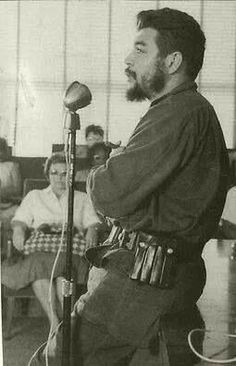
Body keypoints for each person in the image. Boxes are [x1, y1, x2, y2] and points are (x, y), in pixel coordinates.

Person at [36, 8, 229, 365]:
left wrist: (105, 171)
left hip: (139, 283)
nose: (128, 59)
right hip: (145, 273)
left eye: (141, 49)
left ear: (172, 61)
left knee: (60, 357)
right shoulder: (181, 110)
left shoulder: (179, 112)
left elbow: (109, 192)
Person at [1, 153, 101, 331]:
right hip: (41, 247)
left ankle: (65, 322)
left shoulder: (82, 197)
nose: (59, 178)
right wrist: (18, 230)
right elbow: (20, 218)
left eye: (65, 173)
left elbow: (92, 221)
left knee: (60, 271)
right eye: (54, 173)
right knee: (40, 268)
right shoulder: (35, 195)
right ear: (47, 175)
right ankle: (56, 322)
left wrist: (92, 230)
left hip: (69, 249)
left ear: (72, 175)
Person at [0, 137, 22, 225]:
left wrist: (2, 191)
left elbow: (18, 189)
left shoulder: (12, 166)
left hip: (8, 204)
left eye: (1, 150)